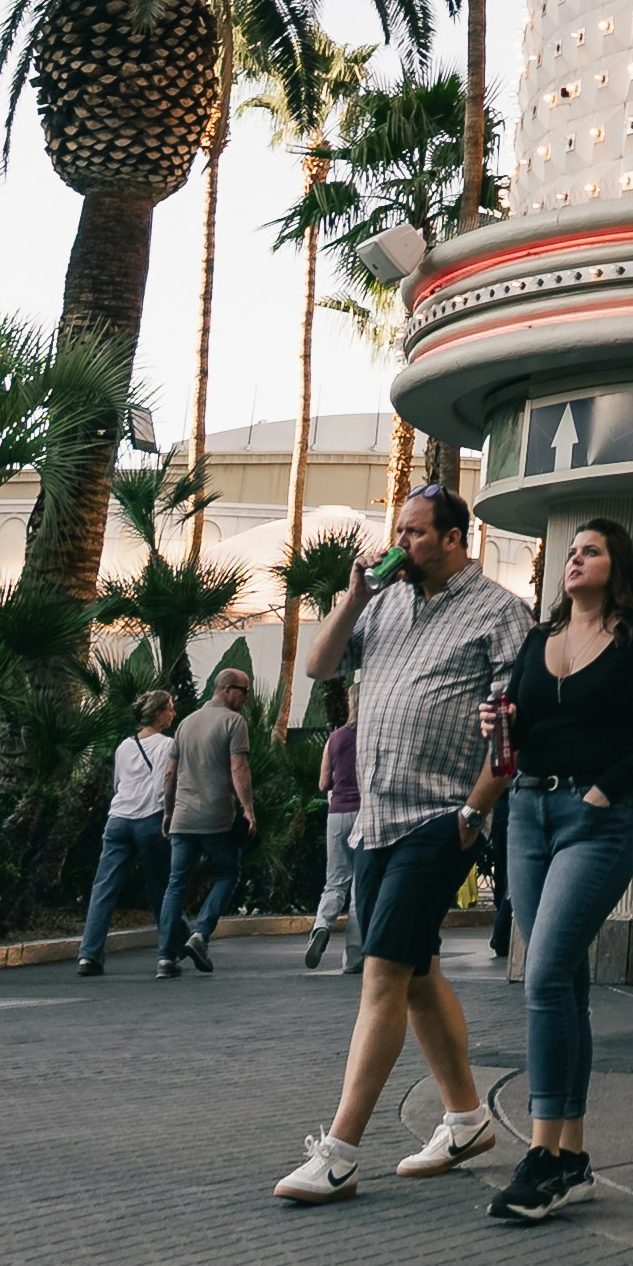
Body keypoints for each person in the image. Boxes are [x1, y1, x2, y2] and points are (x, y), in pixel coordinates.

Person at [273, 486, 525, 1201]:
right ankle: (468, 1119)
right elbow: (321, 666)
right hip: (373, 820)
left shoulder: (500, 613)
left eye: (414, 533)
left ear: (454, 538)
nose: (399, 545)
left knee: (382, 973)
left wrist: (475, 812)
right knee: (415, 974)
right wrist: (352, 597)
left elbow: (513, 724)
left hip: (438, 818)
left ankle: (340, 1150)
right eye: (397, 532)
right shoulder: (381, 603)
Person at [485, 516, 633, 1223]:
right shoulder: (538, 641)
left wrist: (610, 782)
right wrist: (498, 725)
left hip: (596, 821)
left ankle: (541, 1158)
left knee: (542, 975)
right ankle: (570, 1155)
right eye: (570, 553)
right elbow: (518, 724)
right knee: (564, 979)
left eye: (590, 551)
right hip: (527, 814)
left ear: (615, 564)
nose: (574, 561)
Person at [158, 664, 255, 975]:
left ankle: (165, 957)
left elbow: (170, 774)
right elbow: (238, 767)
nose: (247, 698)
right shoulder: (233, 722)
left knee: (175, 885)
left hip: (183, 818)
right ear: (226, 689)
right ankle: (201, 934)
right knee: (228, 873)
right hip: (216, 817)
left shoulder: (185, 724)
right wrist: (248, 809)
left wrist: (168, 810)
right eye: (244, 692)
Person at [75, 689, 176, 974]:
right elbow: (164, 783)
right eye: (170, 708)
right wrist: (168, 815)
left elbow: (118, 783)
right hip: (149, 819)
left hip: (118, 820)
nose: (173, 713)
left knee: (103, 888)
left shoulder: (124, 746)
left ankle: (89, 955)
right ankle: (171, 949)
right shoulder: (167, 745)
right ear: (158, 714)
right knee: (162, 889)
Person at [300, 692, 362, 972]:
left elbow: (324, 782)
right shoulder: (373, 735)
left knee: (335, 882)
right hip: (365, 814)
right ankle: (353, 958)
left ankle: (321, 926)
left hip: (337, 814)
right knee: (360, 888)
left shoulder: (335, 738)